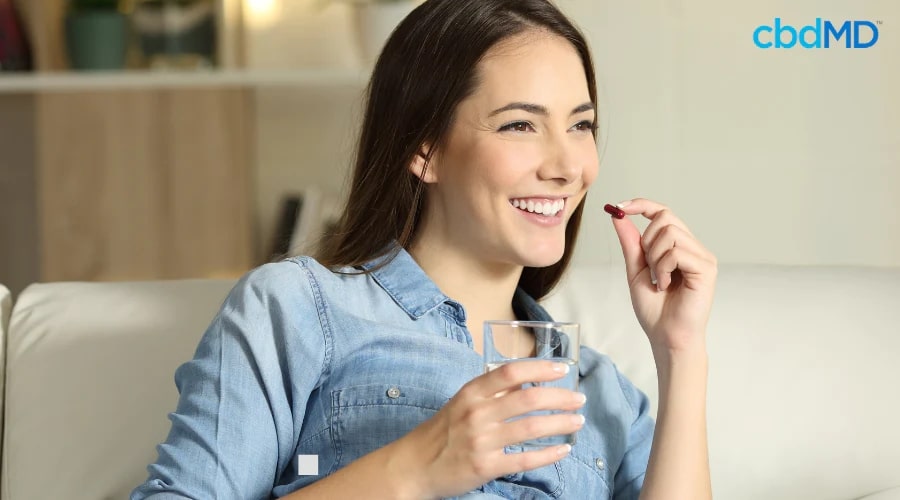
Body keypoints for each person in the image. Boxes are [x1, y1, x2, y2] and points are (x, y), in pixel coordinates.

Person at [131, 0, 717, 498]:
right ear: (424, 149)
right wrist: (415, 466)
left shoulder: (600, 388)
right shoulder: (299, 309)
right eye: (519, 125)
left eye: (581, 125)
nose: (567, 166)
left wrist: (680, 350)